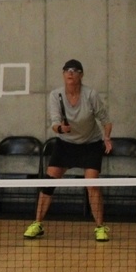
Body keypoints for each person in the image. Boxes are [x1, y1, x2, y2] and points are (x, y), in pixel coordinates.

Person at [24, 59, 113, 242]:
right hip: (65, 144)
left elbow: (106, 120)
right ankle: (37, 224)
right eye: (67, 70)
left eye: (75, 70)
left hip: (91, 144)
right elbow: (55, 123)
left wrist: (107, 138)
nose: (70, 73)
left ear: (81, 75)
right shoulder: (56, 95)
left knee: (92, 185)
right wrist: (60, 129)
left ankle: (100, 227)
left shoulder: (91, 95)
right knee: (48, 182)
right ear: (63, 74)